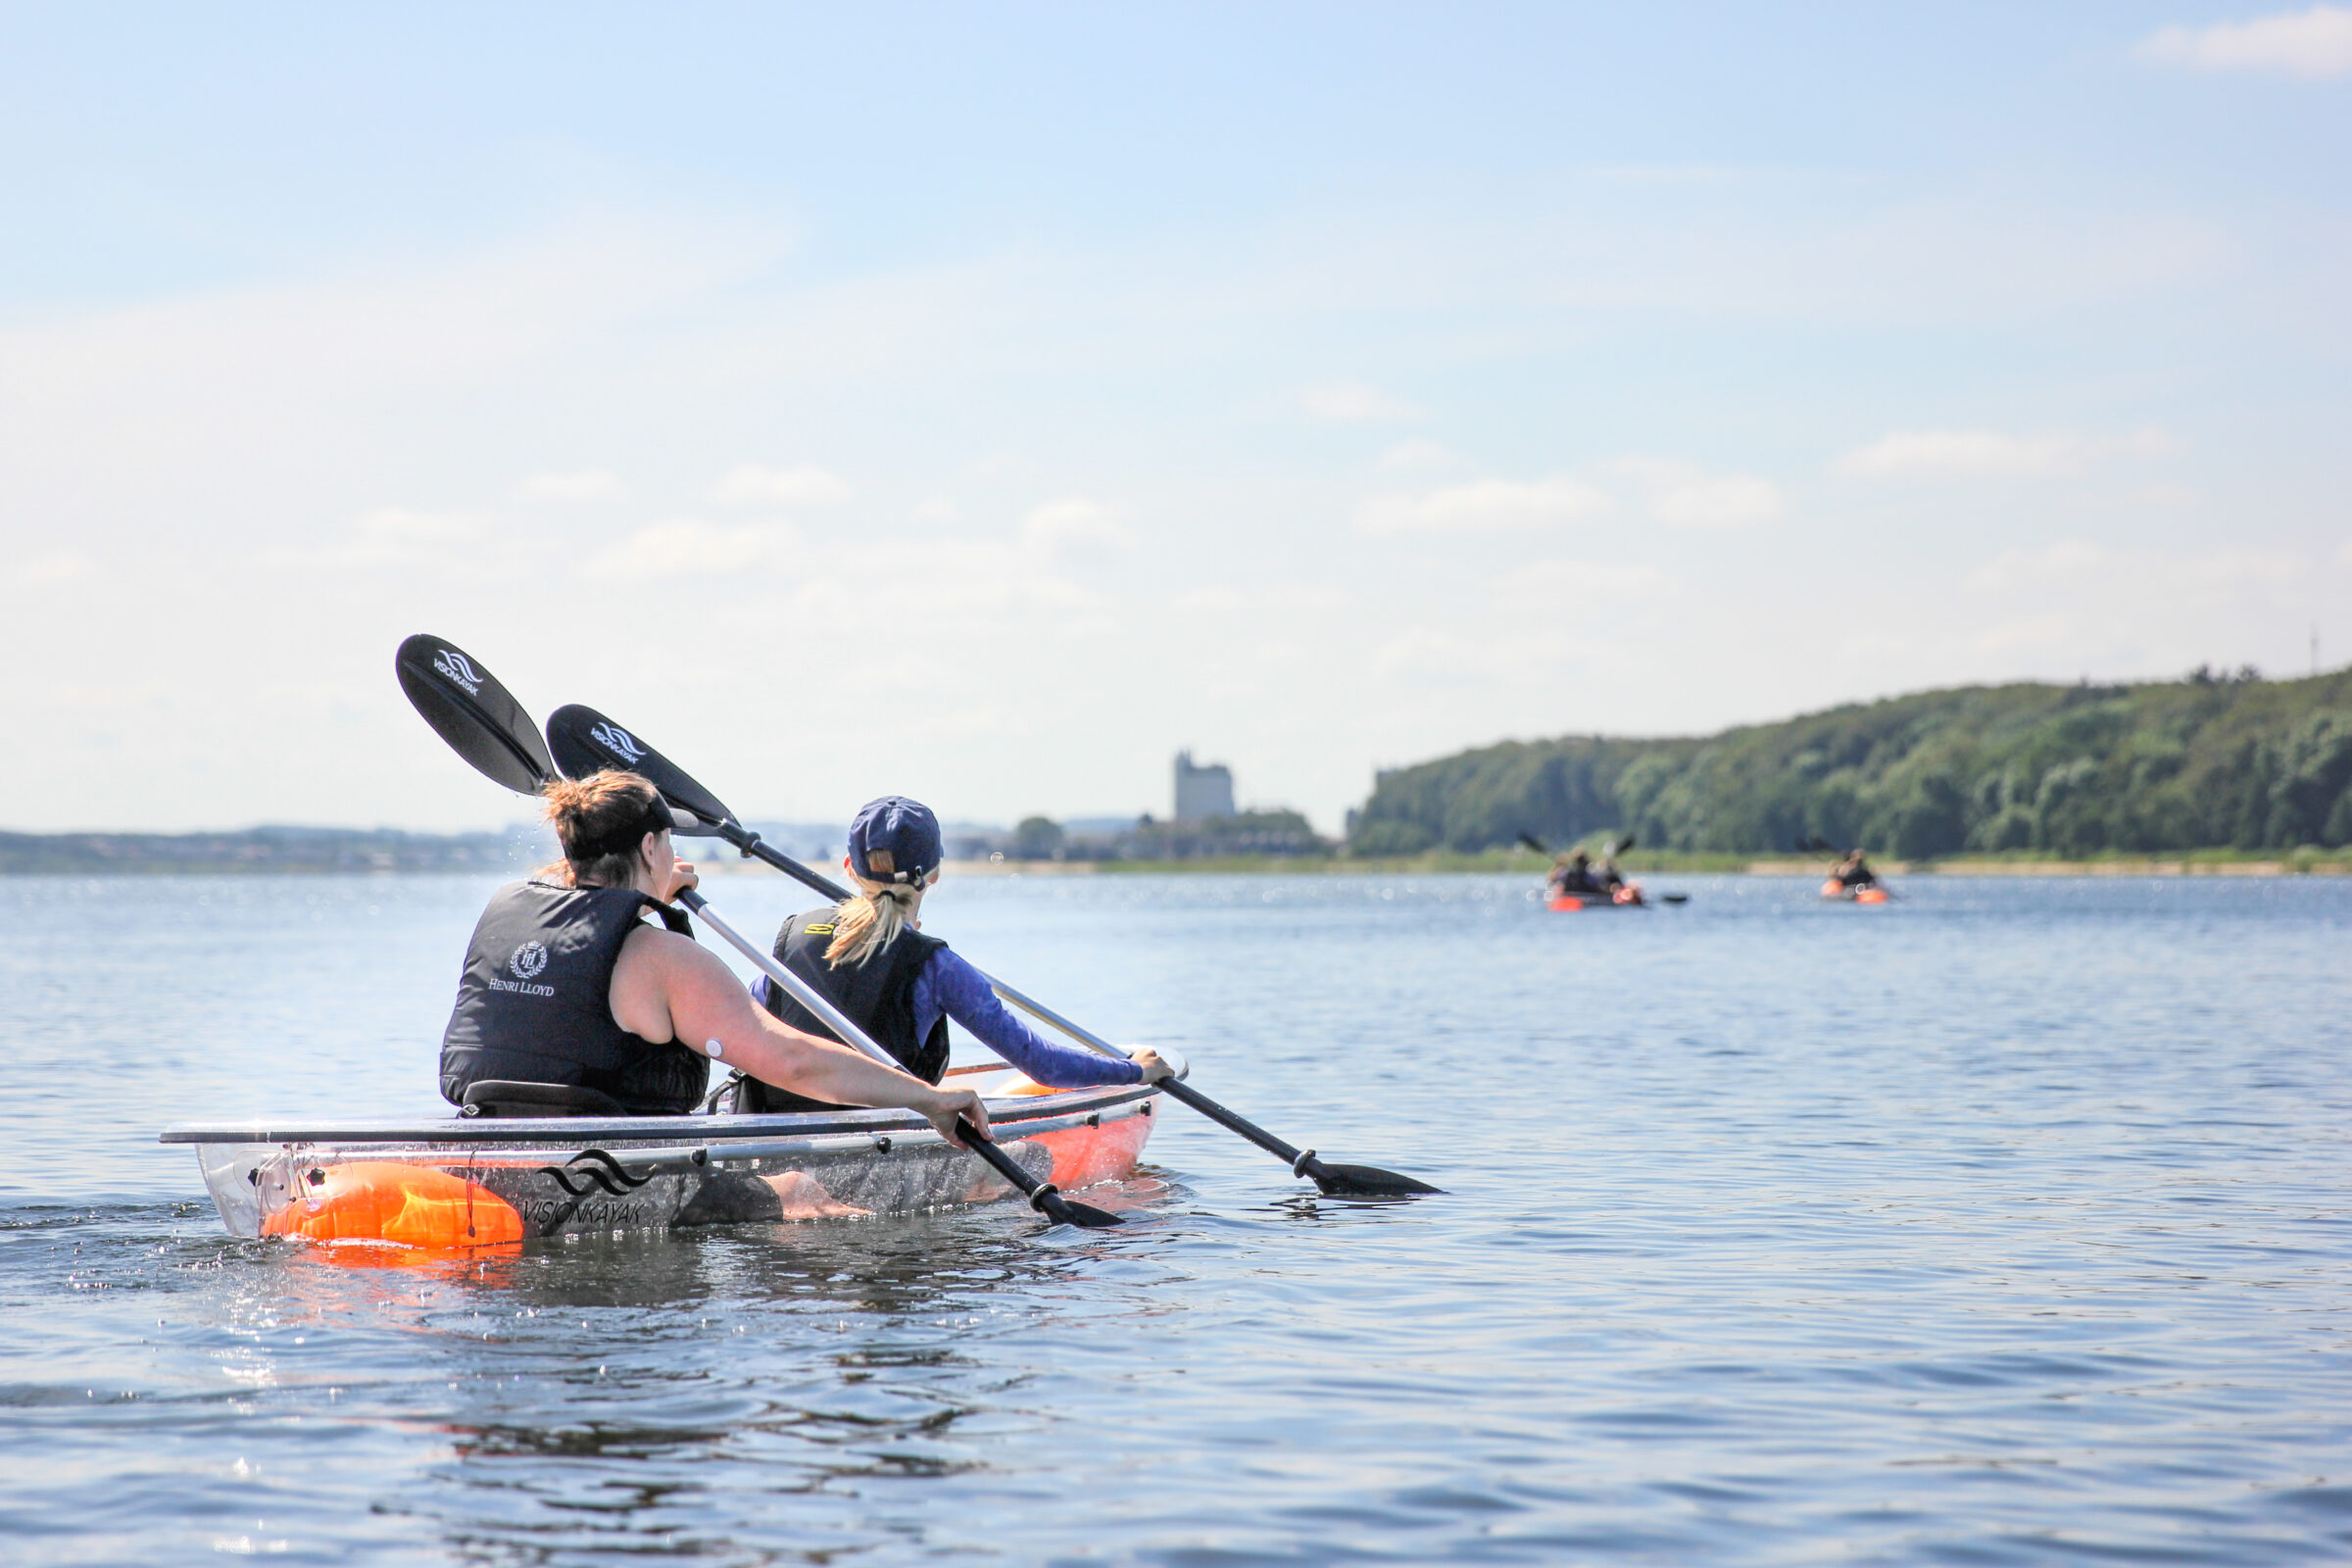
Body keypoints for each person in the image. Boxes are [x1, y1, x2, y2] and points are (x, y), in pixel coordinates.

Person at [439, 771, 988, 1146]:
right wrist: (926, 1098)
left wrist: (647, 895)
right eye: (670, 845)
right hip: (615, 1171)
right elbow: (792, 1061)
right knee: (803, 1202)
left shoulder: (509, 909)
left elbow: (590, 919)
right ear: (652, 848)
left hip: (494, 1141)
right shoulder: (664, 957)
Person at [733, 795, 1173, 1113]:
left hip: (773, 1132)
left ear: (849, 869)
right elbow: (1041, 1063)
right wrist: (1134, 1072)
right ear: (936, 875)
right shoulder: (937, 967)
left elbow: (742, 1020)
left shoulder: (790, 936)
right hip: (872, 1141)